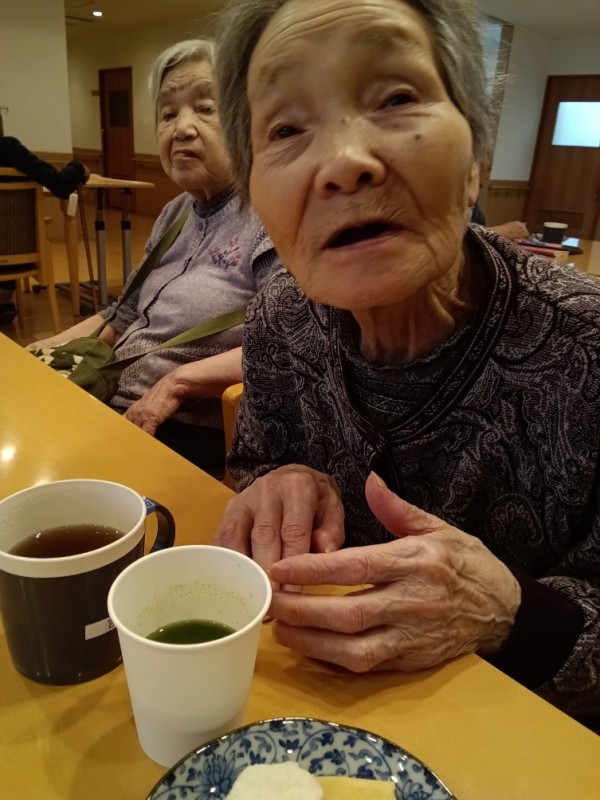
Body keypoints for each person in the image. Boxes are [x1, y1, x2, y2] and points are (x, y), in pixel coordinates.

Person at [212, 0, 600, 729]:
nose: (344, 162)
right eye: (286, 129)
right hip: (310, 712)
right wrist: (276, 480)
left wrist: (510, 613)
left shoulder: (588, 348)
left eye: (395, 98)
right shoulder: (279, 319)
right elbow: (257, 459)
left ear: (477, 162)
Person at [27, 39, 279, 477]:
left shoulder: (271, 216)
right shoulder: (175, 213)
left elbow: (286, 345)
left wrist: (177, 383)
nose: (182, 129)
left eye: (206, 108)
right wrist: (45, 349)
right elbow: (121, 316)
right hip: (107, 395)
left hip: (177, 426)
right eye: (167, 114)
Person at [0, 106, 89, 324]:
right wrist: (78, 168)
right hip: (12, 253)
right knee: (10, 229)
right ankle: (3, 301)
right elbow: (61, 185)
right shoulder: (8, 149)